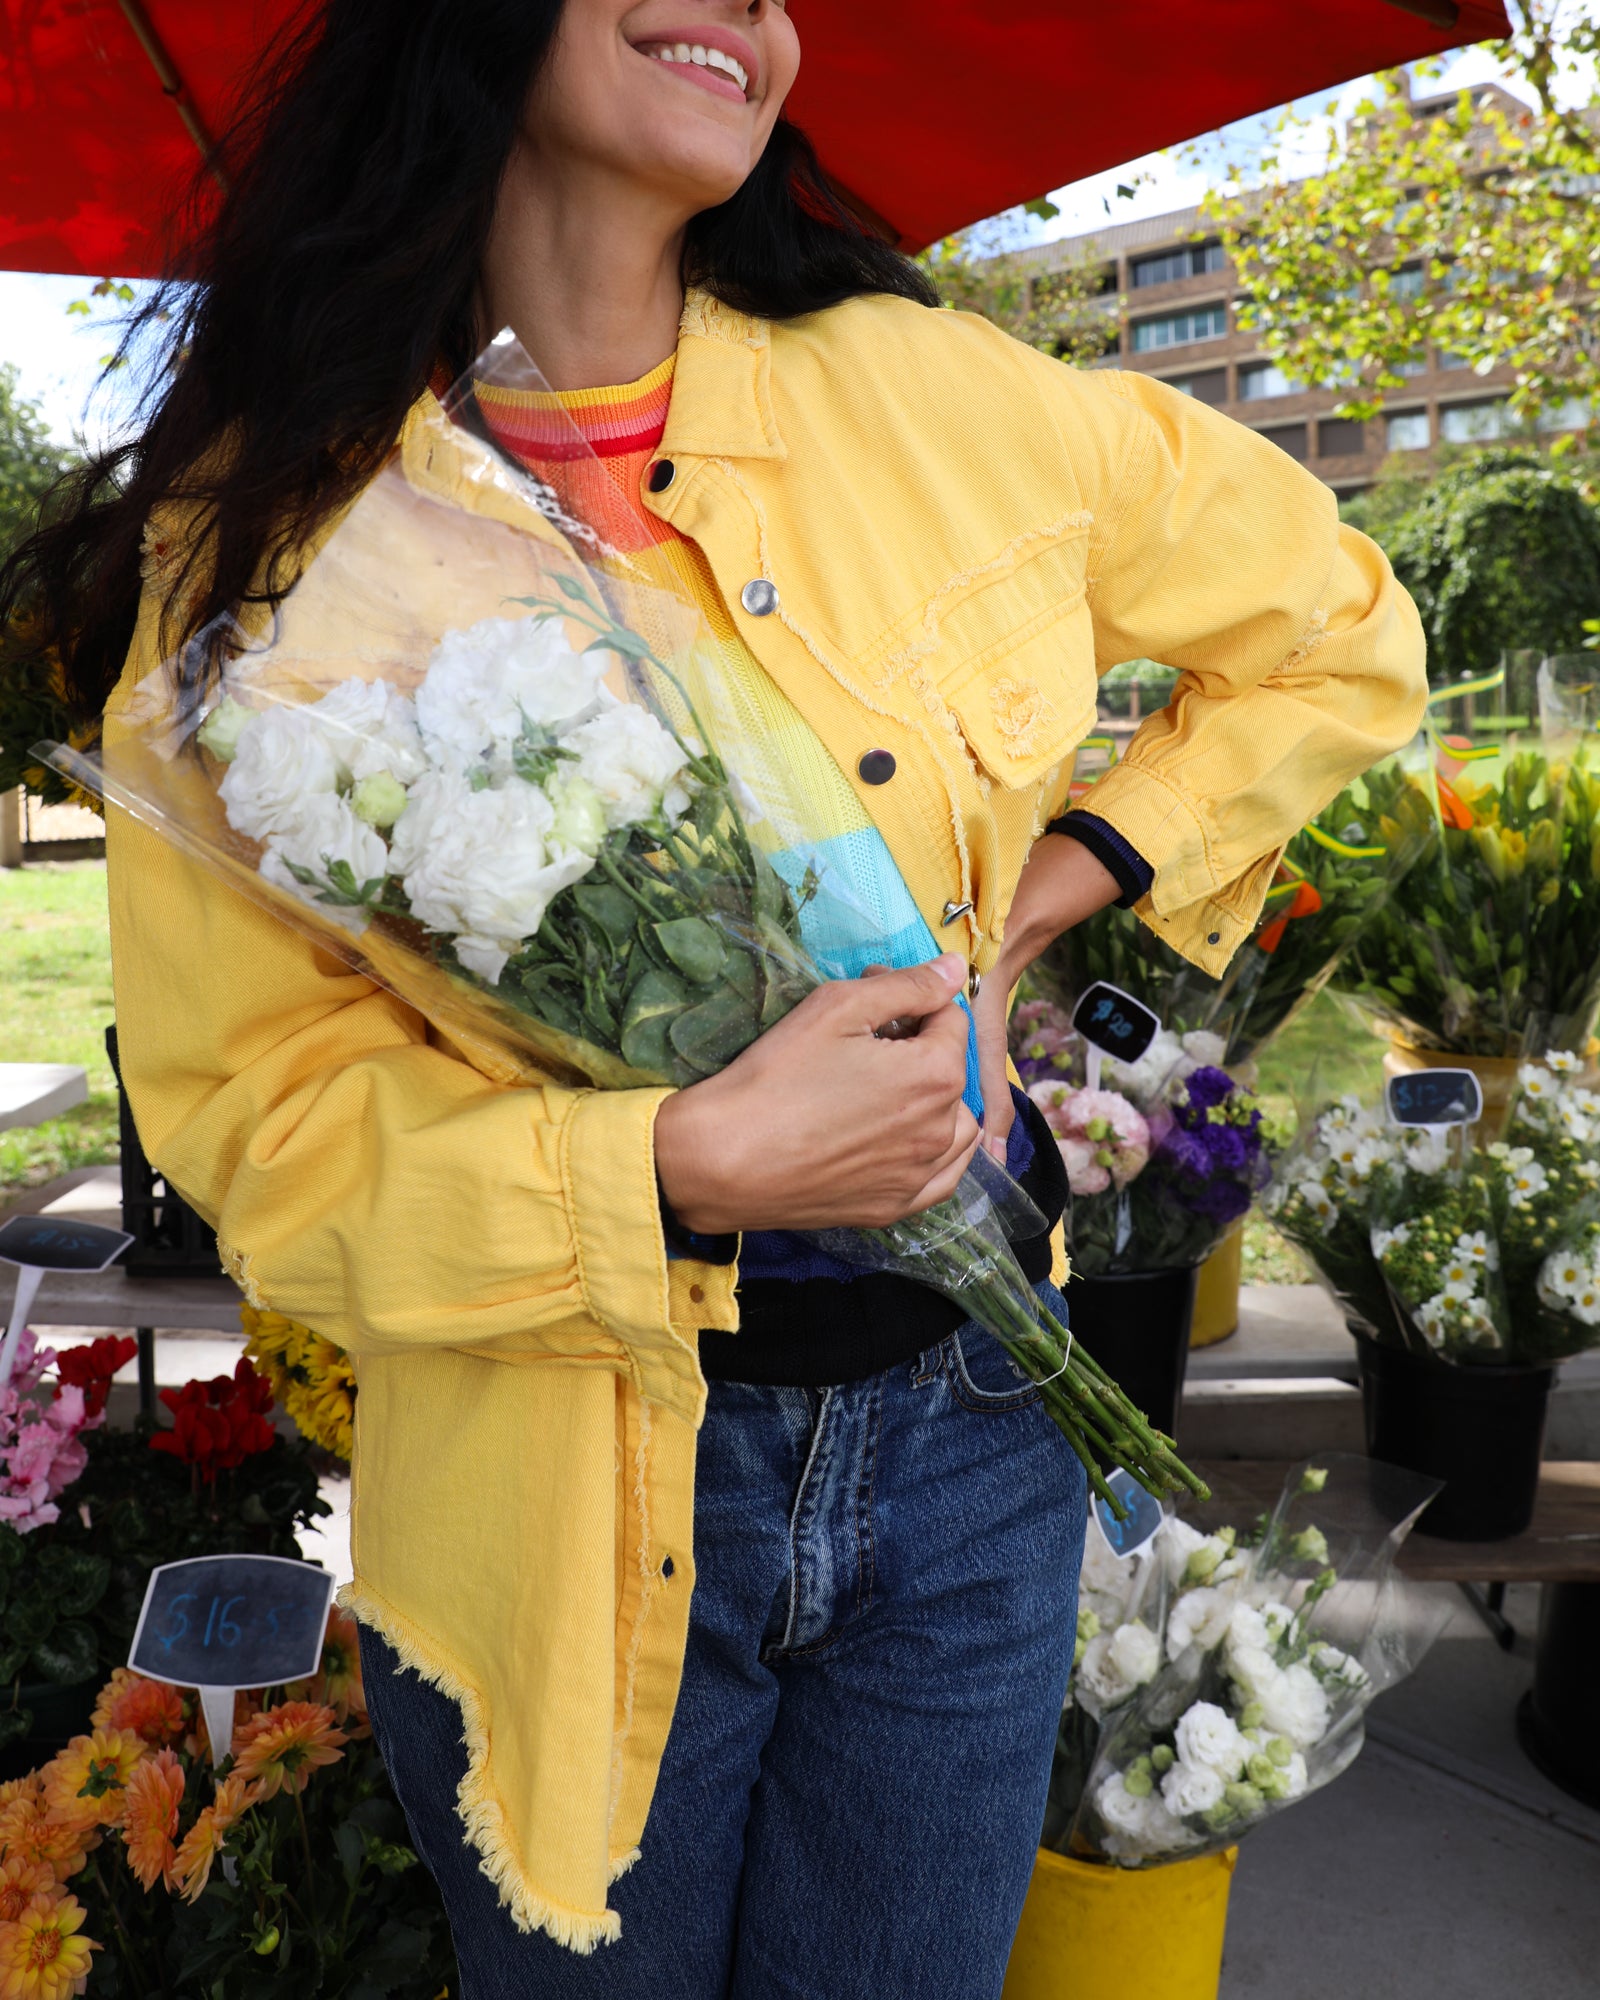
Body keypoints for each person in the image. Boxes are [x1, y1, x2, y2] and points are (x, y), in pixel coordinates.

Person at [0, 2, 1427, 1993]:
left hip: (968, 1435)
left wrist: (1027, 907)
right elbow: (262, 1135)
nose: (750, 13)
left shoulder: (935, 403)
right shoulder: (269, 538)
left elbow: (1340, 638)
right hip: (551, 1494)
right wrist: (666, 1162)